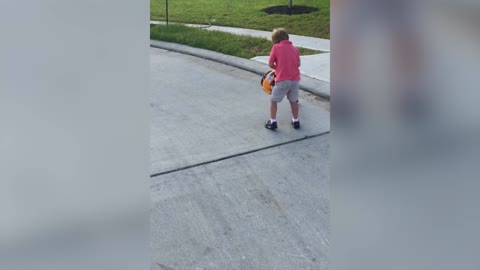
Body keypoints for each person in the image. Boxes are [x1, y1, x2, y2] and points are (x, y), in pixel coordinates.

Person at [264, 28, 301, 130]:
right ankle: (296, 120)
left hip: (282, 80)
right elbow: (298, 64)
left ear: (275, 40)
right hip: (295, 80)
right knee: (294, 101)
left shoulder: (276, 48)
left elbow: (271, 64)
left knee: (273, 101)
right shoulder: (295, 49)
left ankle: (273, 122)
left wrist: (278, 68)